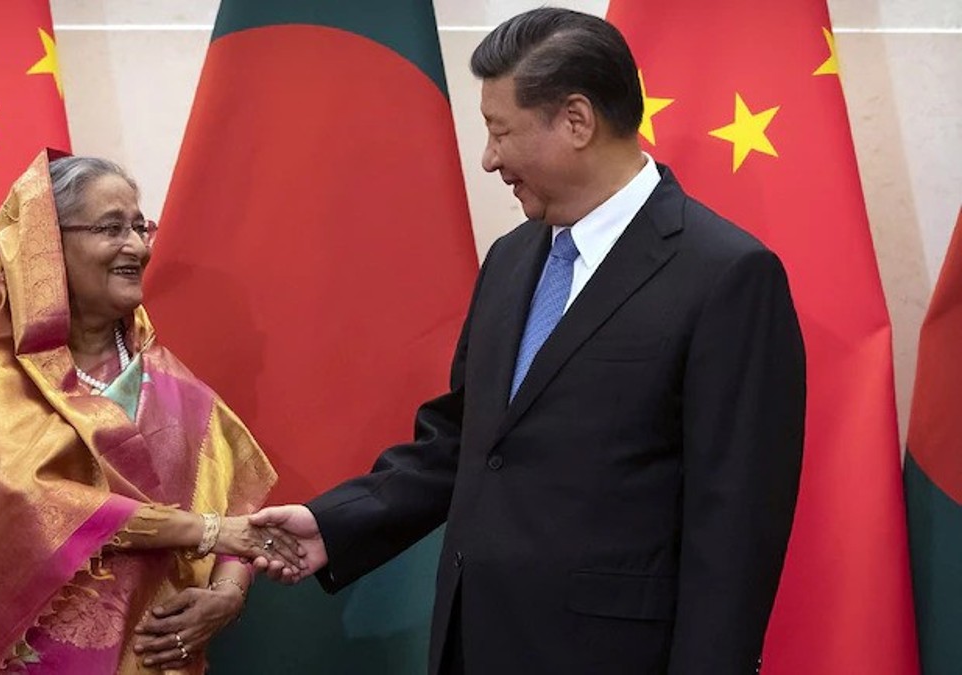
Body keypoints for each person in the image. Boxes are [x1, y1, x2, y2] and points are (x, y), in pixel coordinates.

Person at [236, 8, 806, 674]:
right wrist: (335, 524)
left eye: (498, 131)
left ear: (576, 121)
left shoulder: (726, 274)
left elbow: (733, 527)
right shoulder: (511, 258)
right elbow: (466, 441)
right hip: (473, 644)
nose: (488, 158)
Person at [0, 151, 303, 674]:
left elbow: (235, 509)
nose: (138, 247)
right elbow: (26, 501)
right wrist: (204, 532)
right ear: (46, 247)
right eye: (111, 228)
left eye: (140, 227)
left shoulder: (169, 381)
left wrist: (228, 596)